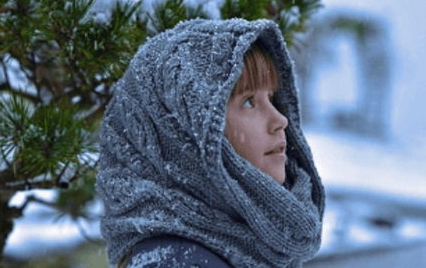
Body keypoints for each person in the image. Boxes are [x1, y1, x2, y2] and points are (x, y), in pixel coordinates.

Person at [97, 18, 324, 268]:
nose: (280, 120)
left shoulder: (245, 249)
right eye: (248, 101)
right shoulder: (177, 263)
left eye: (271, 98)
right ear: (186, 135)